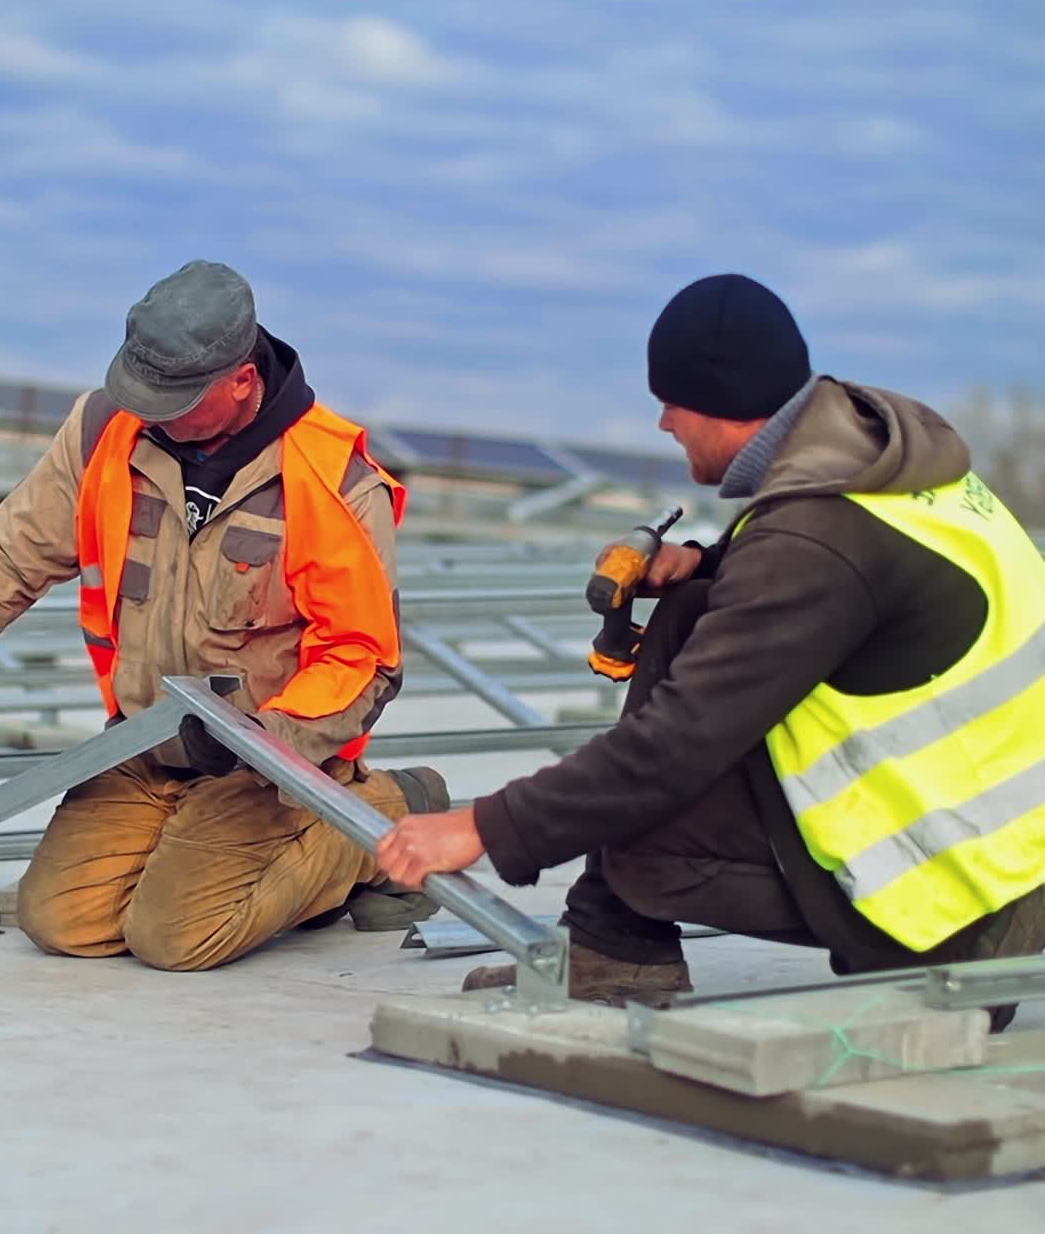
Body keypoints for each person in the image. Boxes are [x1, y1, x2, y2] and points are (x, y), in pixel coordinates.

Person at [377, 272, 1045, 1031]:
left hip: (955, 886)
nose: (663, 423)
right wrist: (710, 566)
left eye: (671, 402)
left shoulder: (810, 543)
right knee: (693, 616)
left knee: (641, 819)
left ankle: (941, 959)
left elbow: (674, 746)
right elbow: (868, 589)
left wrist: (484, 827)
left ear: (720, 406)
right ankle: (614, 947)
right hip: (1012, 841)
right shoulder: (878, 465)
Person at [0, 259, 449, 969]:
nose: (151, 412)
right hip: (142, 747)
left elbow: (364, 659)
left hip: (266, 766)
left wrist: (258, 741)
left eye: (175, 398)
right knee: (59, 922)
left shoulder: (332, 480)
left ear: (242, 382)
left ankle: (387, 812)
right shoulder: (107, 428)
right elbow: (11, 556)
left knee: (177, 937)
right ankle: (198, 840)